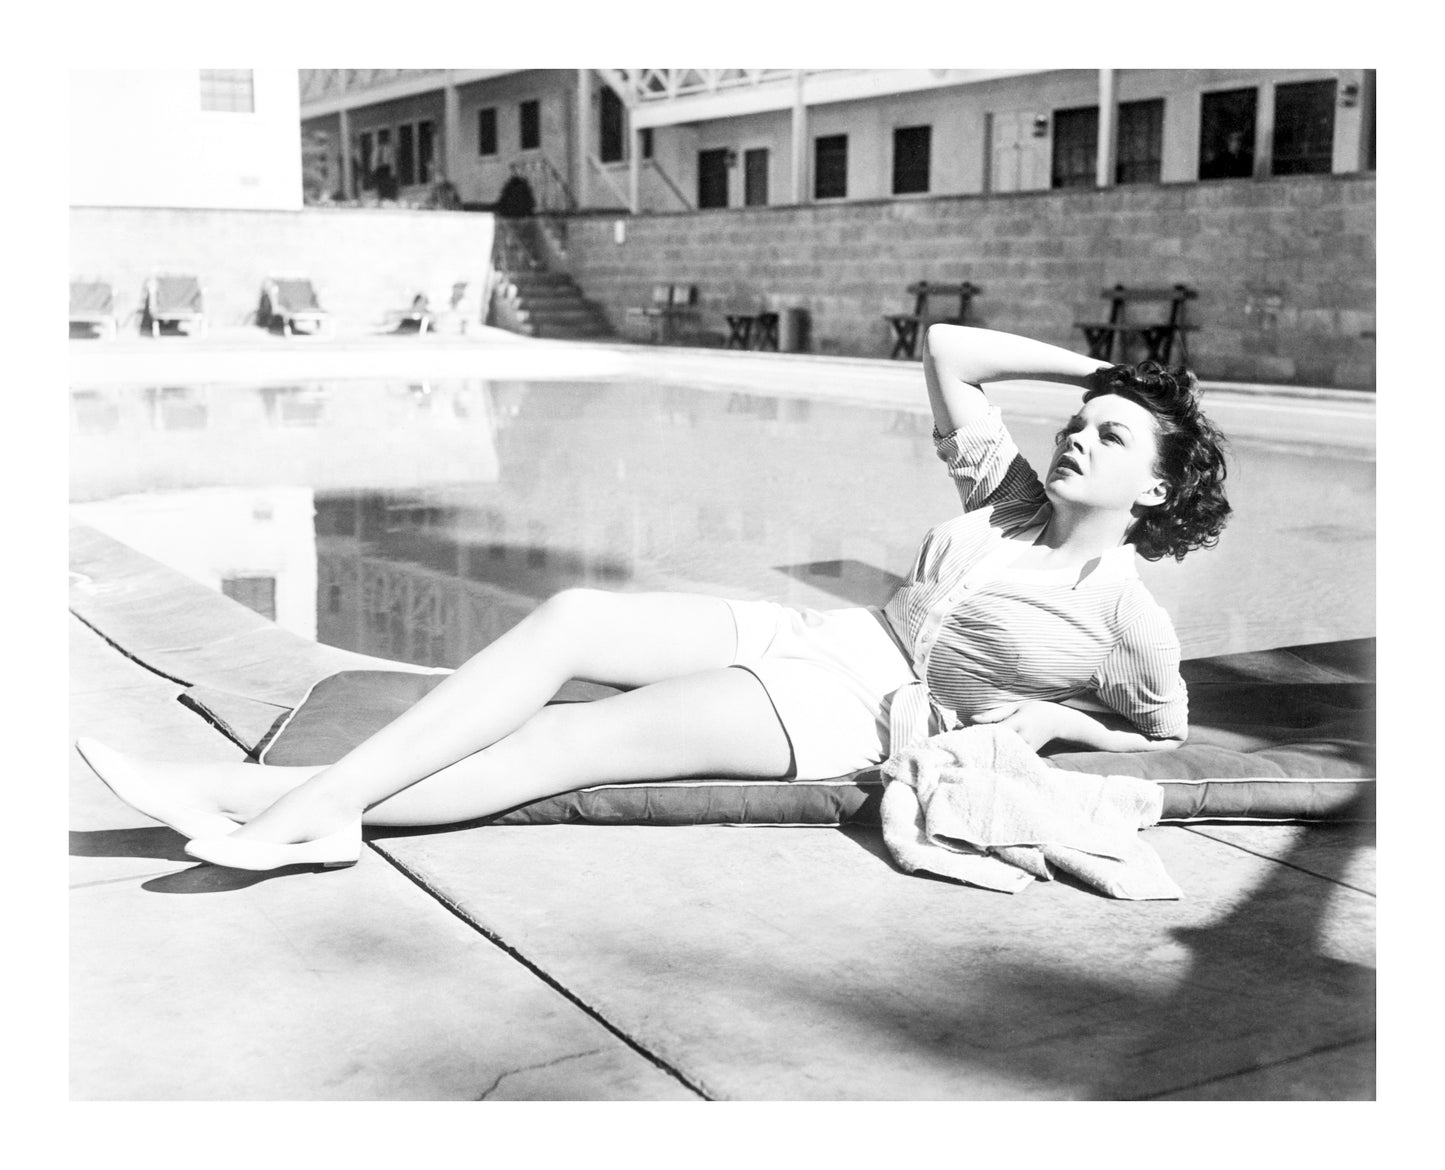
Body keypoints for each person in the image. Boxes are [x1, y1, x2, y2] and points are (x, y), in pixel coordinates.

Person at [76, 325, 1230, 873]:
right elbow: (945, 349)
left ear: (1156, 486)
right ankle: (310, 814)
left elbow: (1161, 727)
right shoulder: (1007, 497)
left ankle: (282, 808)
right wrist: (1105, 375)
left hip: (850, 709)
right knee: (574, 613)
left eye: (1109, 436)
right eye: (1078, 424)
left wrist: (1051, 722)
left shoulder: (1125, 615)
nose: (1076, 437)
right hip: (819, 632)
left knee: (571, 743)